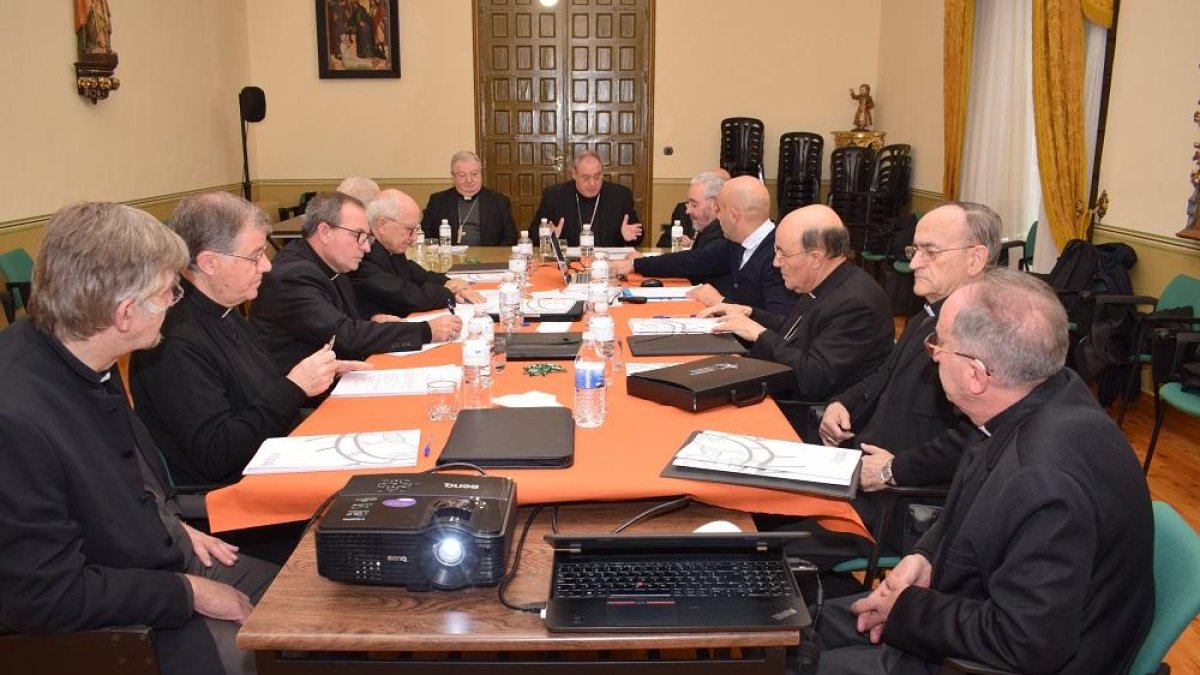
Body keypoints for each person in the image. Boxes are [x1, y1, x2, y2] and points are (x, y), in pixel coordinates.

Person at [810, 268, 1154, 674]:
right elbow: (974, 511)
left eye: (940, 342)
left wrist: (907, 610)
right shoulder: (1037, 395)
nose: (933, 352)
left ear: (976, 375)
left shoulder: (1043, 481)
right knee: (807, 625)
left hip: (999, 660)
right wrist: (925, 556)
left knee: (802, 661)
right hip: (972, 612)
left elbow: (1026, 642)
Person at [0, 202, 277, 675]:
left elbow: (115, 480)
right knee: (289, 645)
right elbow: (45, 596)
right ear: (126, 312)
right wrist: (187, 592)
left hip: (151, 555)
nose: (176, 302)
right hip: (109, 626)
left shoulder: (79, 351)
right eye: (169, 292)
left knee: (305, 593)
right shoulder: (17, 417)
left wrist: (170, 523)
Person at [130, 192, 370, 488]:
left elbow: (256, 391)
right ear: (209, 263)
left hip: (274, 457)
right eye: (255, 255)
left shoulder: (225, 309)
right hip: (239, 492)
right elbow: (218, 455)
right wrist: (295, 386)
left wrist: (320, 376)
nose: (267, 266)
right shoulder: (174, 342)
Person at [818, 203, 1001, 536]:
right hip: (860, 473)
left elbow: (979, 439)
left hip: (901, 504)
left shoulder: (987, 334)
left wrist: (893, 470)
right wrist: (843, 402)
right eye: (914, 250)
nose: (914, 263)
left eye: (930, 252)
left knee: (771, 539)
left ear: (975, 259)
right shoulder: (929, 314)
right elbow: (884, 375)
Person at [697, 203, 893, 403]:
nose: (776, 262)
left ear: (815, 258)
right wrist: (749, 314)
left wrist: (759, 335)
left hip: (807, 415)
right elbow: (797, 332)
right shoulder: (830, 281)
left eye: (783, 253)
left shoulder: (856, 305)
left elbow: (812, 380)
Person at [251, 191, 460, 375]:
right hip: (305, 401)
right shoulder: (292, 276)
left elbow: (338, 318)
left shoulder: (333, 263)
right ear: (324, 232)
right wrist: (425, 331)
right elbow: (344, 335)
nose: (367, 248)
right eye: (358, 235)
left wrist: (372, 318)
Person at [612, 176, 799, 315]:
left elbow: (780, 325)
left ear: (733, 216)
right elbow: (691, 261)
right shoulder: (739, 243)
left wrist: (721, 302)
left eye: (719, 210)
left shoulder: (780, 255)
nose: (717, 217)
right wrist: (637, 265)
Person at [354, 189, 484, 317]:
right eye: (409, 229)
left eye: (416, 229)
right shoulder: (361, 253)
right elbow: (405, 296)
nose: (414, 238)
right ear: (382, 225)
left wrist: (447, 282)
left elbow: (411, 272)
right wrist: (448, 292)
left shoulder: (389, 246)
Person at [530, 150, 643, 247]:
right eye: (586, 178)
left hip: (608, 263)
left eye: (597, 177)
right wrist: (547, 236)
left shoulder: (620, 196)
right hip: (568, 263)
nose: (592, 183)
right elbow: (533, 234)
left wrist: (629, 238)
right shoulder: (554, 196)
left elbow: (638, 234)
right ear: (574, 174)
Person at [420, 151, 518, 246]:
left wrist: (491, 256)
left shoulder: (499, 201)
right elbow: (425, 236)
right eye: (462, 175)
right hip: (448, 257)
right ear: (453, 177)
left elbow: (511, 238)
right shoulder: (438, 201)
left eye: (474, 174)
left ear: (481, 174)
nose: (469, 180)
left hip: (486, 259)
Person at [655, 169, 731, 250]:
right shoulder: (683, 212)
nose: (687, 211)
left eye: (694, 205)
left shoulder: (725, 231)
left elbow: (699, 257)